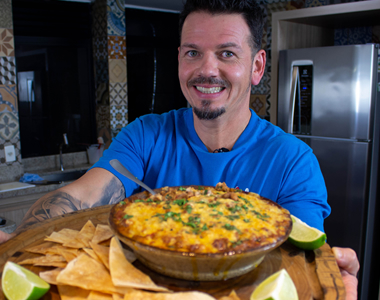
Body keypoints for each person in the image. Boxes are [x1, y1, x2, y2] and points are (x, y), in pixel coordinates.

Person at [0, 0, 359, 298]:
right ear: (179, 60)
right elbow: (81, 196)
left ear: (257, 66)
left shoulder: (294, 162)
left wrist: (334, 274)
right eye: (193, 52)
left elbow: (302, 264)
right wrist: (17, 244)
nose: (207, 69)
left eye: (227, 53)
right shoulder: (145, 134)